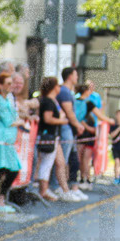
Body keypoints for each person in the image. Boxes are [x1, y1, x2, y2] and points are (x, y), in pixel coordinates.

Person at [35, 76, 79, 202]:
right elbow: (47, 118)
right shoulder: (48, 101)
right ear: (54, 87)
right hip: (48, 135)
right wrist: (62, 121)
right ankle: (44, 189)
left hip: (54, 136)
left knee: (60, 163)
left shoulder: (53, 101)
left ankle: (64, 189)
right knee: (47, 163)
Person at [0, 72, 23, 213]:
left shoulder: (7, 99)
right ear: (0, 86)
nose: (11, 86)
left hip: (7, 140)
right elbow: (9, 120)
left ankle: (0, 198)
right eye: (8, 83)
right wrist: (20, 121)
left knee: (12, 169)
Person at [57, 66, 86, 198]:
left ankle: (68, 186)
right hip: (65, 129)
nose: (77, 78)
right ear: (69, 76)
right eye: (75, 75)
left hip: (70, 129)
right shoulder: (64, 92)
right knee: (62, 160)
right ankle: (58, 186)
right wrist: (78, 125)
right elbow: (69, 112)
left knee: (71, 159)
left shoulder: (69, 91)